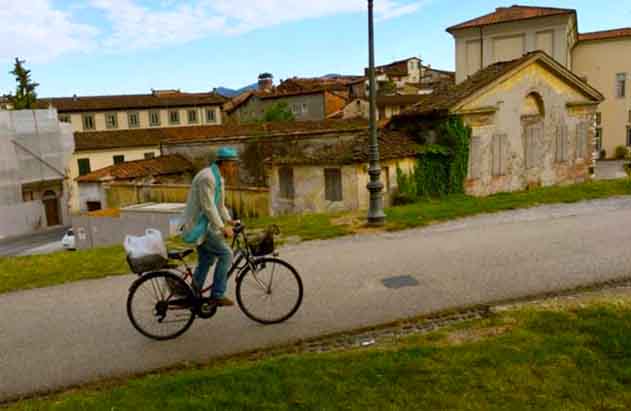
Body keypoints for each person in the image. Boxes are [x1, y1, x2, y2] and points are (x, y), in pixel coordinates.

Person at [181, 147, 239, 307]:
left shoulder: (219, 178)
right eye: (233, 165)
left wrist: (229, 221)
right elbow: (208, 207)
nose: (234, 169)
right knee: (227, 254)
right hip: (198, 227)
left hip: (205, 225)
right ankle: (217, 295)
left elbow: (219, 205)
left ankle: (192, 294)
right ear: (224, 163)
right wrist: (222, 228)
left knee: (207, 259)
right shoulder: (208, 178)